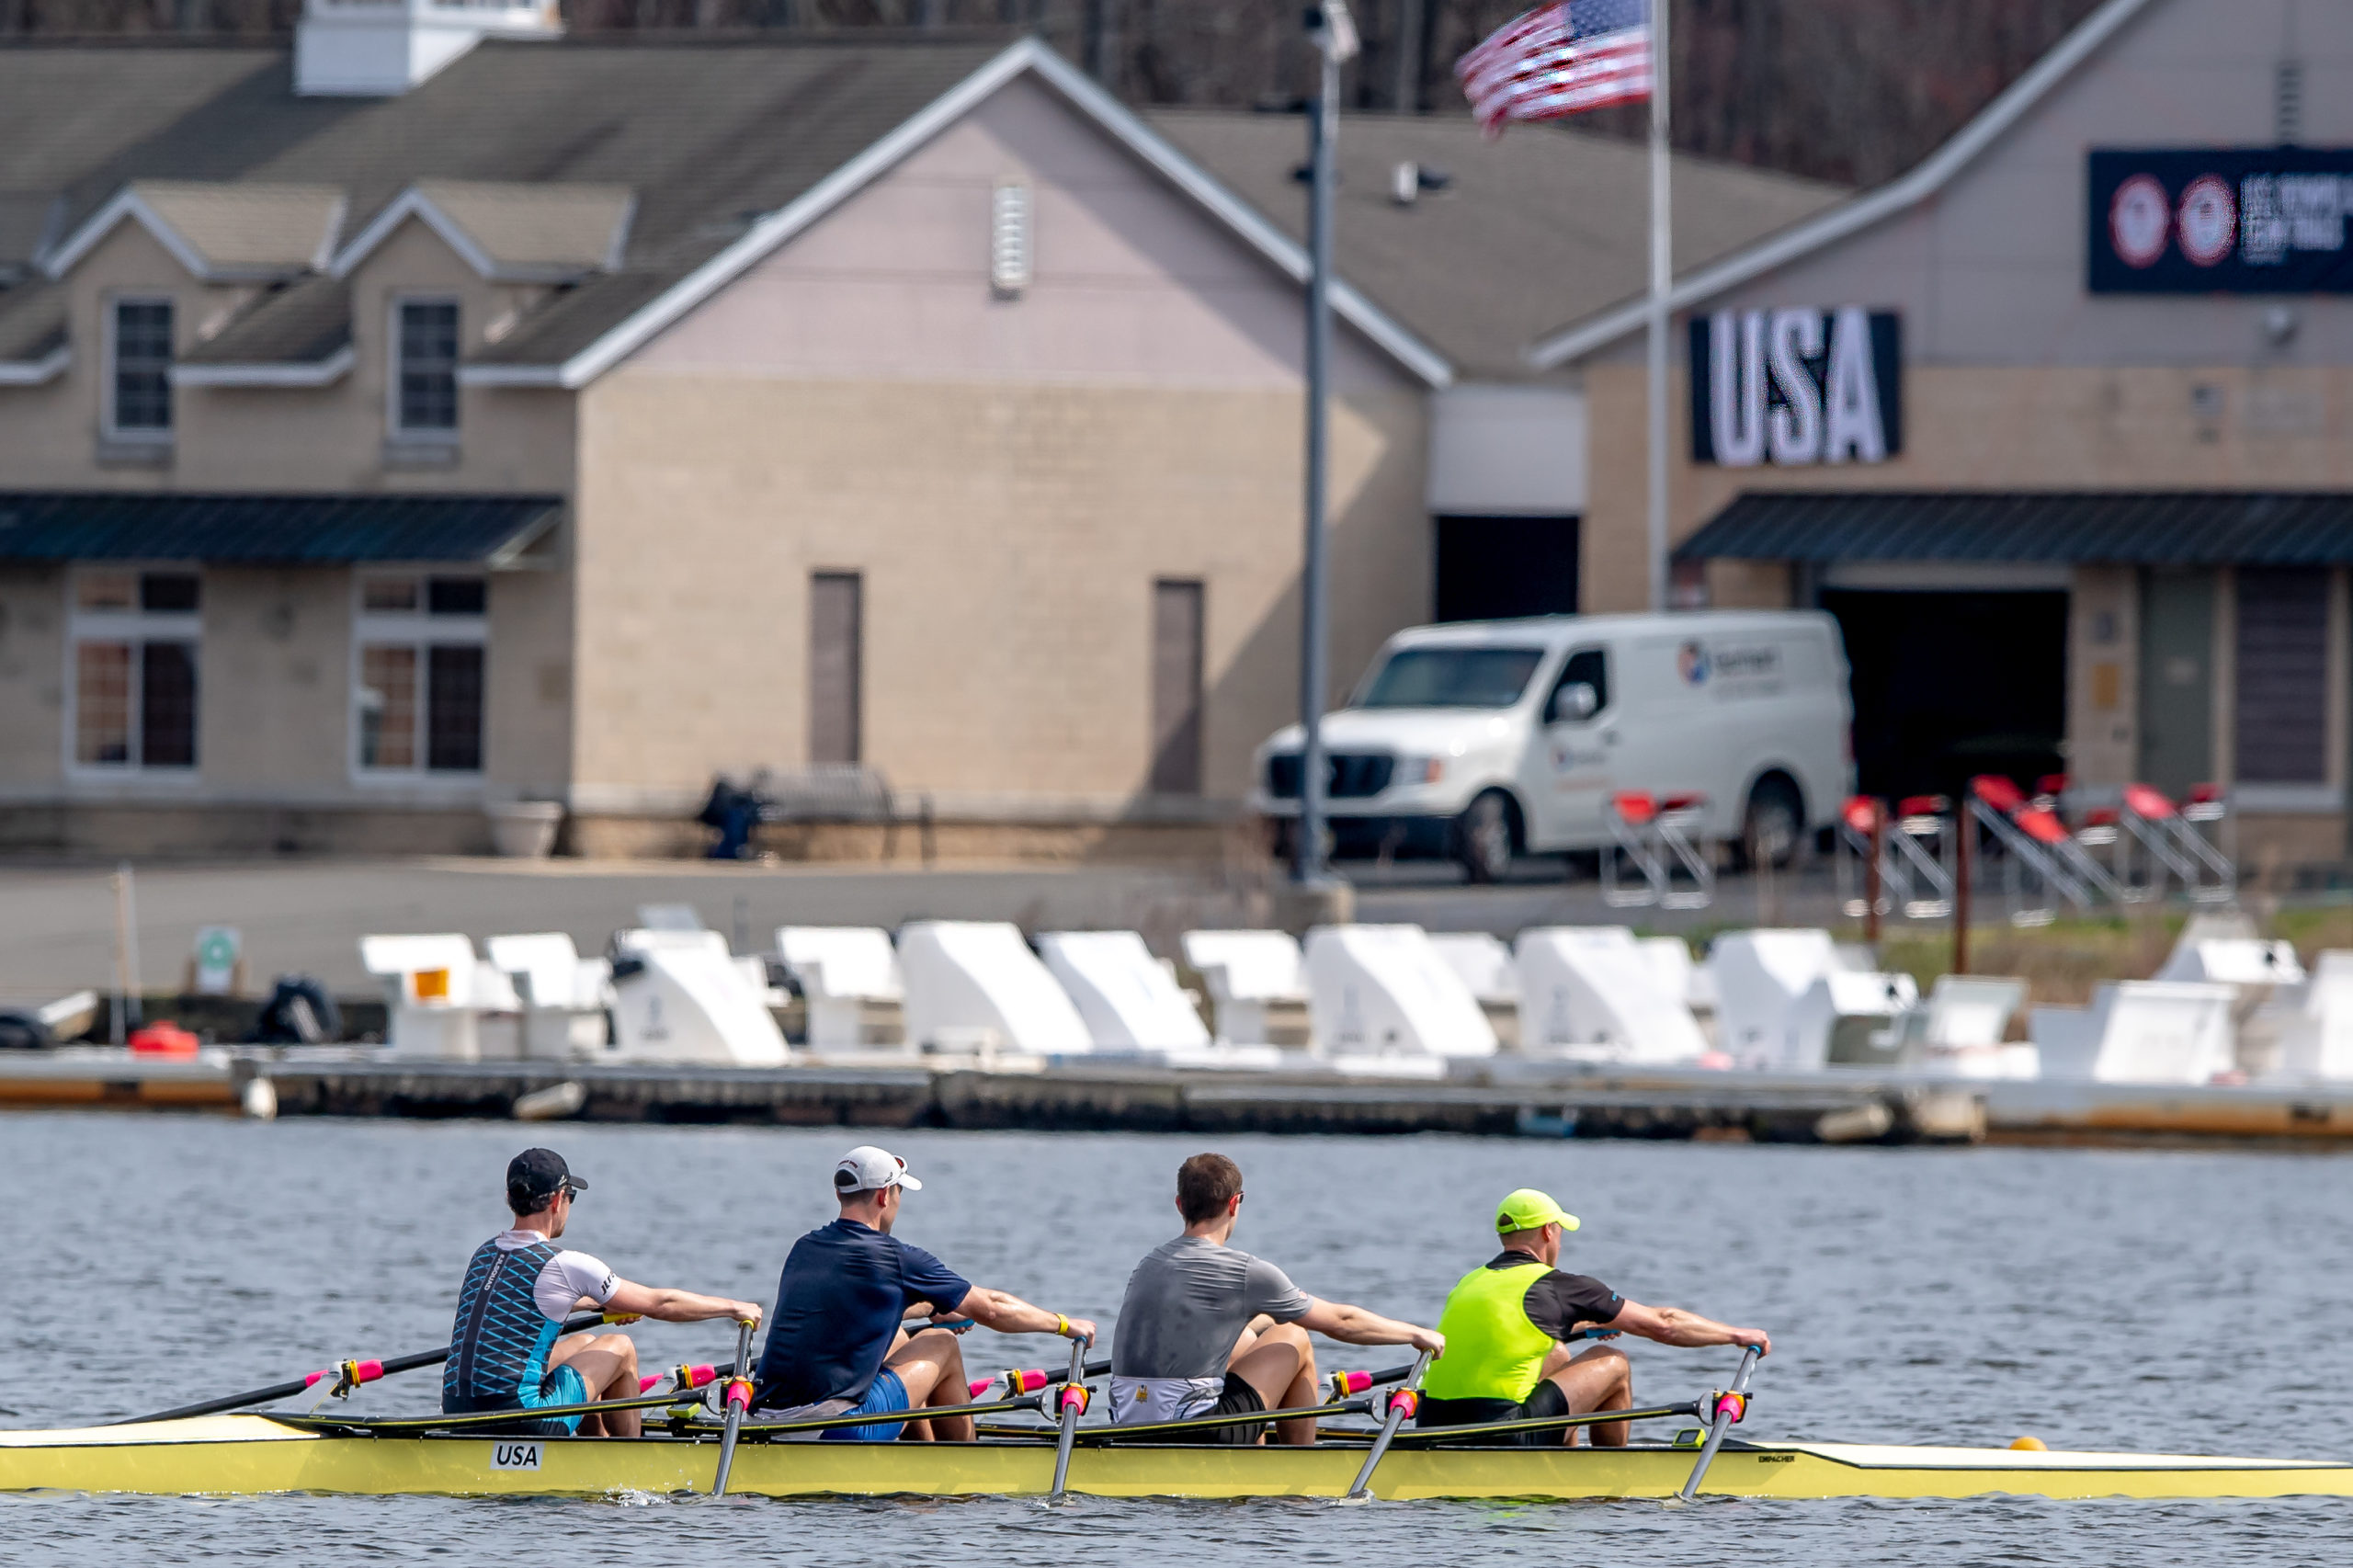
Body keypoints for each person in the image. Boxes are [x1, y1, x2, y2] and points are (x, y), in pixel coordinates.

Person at [752, 1145, 1097, 1442]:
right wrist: (1065, 1325)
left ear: (840, 1194)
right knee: (941, 1343)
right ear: (884, 1196)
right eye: (899, 1192)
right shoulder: (896, 1258)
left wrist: (934, 1309)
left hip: (763, 1421)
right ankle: (961, 1467)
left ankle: (920, 1457)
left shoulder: (804, 1248)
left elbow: (853, 1309)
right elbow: (992, 1309)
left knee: (899, 1338)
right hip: (839, 1429)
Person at [1107, 1153, 1444, 1446]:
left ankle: (1253, 1453)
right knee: (1295, 1337)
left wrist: (1264, 1318)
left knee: (1244, 1338)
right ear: (1234, 1204)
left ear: (1180, 1204)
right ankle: (1299, 1472)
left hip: (1126, 1424)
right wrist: (1415, 1334)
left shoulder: (1148, 1264)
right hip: (1195, 1432)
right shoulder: (1244, 1271)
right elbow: (1341, 1322)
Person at [443, 1148, 764, 1437]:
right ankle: (628, 1457)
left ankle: (596, 1440)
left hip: (457, 1413)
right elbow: (660, 1303)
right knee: (620, 1348)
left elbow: (529, 1301)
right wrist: (734, 1308)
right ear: (557, 1200)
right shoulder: (565, 1264)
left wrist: (601, 1304)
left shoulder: (484, 1254)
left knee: (585, 1343)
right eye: (571, 1196)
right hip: (522, 1419)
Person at [1416, 1187, 1771, 1447]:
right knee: (1613, 1362)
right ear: (1548, 1231)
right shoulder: (1560, 1286)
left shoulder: (1469, 1282)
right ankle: (1606, 1478)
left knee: (1556, 1353)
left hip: (1433, 1427)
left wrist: (1585, 1324)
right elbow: (1663, 1324)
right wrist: (1737, 1335)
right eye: (1560, 1233)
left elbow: (1513, 1331)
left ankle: (1560, 1459)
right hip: (1502, 1432)